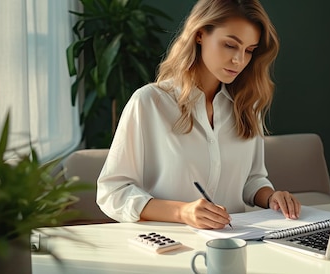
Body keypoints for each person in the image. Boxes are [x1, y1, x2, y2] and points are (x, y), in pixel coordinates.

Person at [96, 0, 301, 229]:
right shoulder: (149, 103)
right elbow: (112, 192)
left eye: (249, 51)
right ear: (200, 34)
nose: (239, 60)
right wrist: (182, 212)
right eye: (230, 45)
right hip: (170, 246)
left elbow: (252, 179)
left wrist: (271, 197)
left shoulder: (247, 106)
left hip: (235, 244)